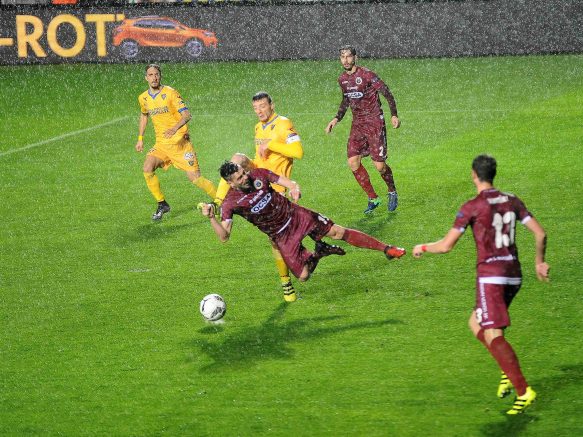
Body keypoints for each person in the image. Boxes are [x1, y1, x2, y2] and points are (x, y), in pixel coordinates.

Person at [411, 154, 549, 415]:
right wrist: (540, 262)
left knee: (493, 333)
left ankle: (524, 391)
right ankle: (506, 369)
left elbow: (447, 245)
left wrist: (423, 247)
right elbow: (540, 233)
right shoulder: (512, 200)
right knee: (476, 323)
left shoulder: (472, 206)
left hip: (491, 276)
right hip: (514, 273)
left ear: (474, 175)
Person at [201, 162, 406, 284]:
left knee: (337, 232)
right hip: (281, 235)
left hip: (296, 215)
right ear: (230, 183)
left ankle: (387, 249)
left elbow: (288, 183)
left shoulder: (259, 175)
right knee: (303, 276)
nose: (245, 177)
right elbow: (224, 236)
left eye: (244, 173)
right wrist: (211, 217)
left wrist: (294, 189)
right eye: (239, 178)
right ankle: (319, 252)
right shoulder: (230, 203)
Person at [211, 92, 304, 302]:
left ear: (272, 105)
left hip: (274, 183)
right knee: (236, 158)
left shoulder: (284, 124)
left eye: (262, 106)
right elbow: (258, 158)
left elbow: (298, 152)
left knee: (275, 240)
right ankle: (217, 202)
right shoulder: (258, 127)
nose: (259, 111)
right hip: (256, 177)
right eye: (255, 108)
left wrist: (271, 145)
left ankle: (286, 282)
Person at [325, 45, 400, 214]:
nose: (345, 60)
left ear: (355, 58)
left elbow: (387, 93)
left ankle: (392, 190)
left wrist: (394, 115)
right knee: (353, 162)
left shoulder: (367, 75)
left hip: (374, 123)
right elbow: (346, 100)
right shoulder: (342, 79)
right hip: (358, 124)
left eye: (348, 56)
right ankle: (373, 198)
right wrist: (336, 118)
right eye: (342, 57)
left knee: (379, 166)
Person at [135, 64, 217, 220]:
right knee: (147, 168)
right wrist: (140, 138)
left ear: (160, 76)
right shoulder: (143, 98)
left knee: (195, 178)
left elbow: (187, 115)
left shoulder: (171, 93)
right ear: (146, 78)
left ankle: (221, 200)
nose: (154, 78)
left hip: (181, 145)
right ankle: (162, 203)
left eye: (156, 74)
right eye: (151, 75)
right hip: (162, 145)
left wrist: (174, 129)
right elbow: (144, 115)